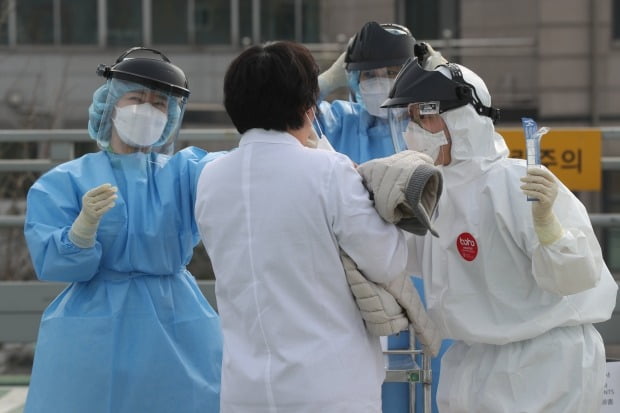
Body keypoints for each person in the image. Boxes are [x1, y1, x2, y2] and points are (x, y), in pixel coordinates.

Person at [381, 57, 618, 412]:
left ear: (460, 123)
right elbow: (394, 254)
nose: (413, 131)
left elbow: (578, 276)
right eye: (409, 119)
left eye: (424, 117)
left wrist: (550, 230)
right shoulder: (434, 193)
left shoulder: (515, 184)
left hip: (542, 365)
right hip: (472, 360)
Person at [194, 40, 411, 413]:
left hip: (244, 390)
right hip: (329, 388)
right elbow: (386, 262)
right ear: (306, 105)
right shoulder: (328, 171)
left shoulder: (211, 178)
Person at [23, 47, 223, 413]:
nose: (147, 111)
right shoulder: (66, 180)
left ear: (172, 117)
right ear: (110, 104)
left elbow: (241, 171)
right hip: (92, 326)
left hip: (175, 320)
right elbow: (50, 263)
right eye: (136, 99)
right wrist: (78, 235)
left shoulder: (184, 172)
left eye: (160, 105)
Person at [316, 21, 451, 413]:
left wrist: (442, 76)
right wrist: (327, 80)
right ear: (352, 80)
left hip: (423, 274)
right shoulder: (339, 120)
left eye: (392, 73)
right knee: (367, 387)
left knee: (432, 381)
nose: (380, 83)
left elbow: (472, 126)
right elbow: (289, 114)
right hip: (357, 281)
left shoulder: (424, 123)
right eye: (368, 75)